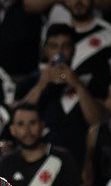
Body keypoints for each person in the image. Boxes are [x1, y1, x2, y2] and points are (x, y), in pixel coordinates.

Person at [16, 24, 107, 168]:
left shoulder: (88, 82)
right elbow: (18, 120)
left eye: (65, 46)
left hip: (77, 161)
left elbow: (97, 120)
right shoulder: (29, 82)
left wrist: (77, 84)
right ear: (45, 50)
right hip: (37, 163)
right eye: (54, 46)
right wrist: (41, 84)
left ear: (73, 50)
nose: (59, 52)